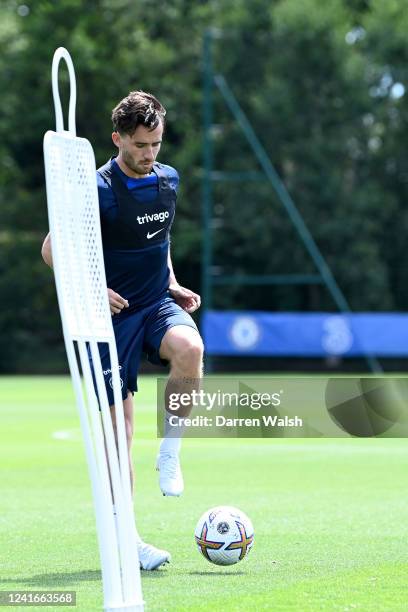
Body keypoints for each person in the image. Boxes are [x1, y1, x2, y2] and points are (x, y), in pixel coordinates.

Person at [41, 90, 204, 570]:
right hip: (107, 321)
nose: (149, 154)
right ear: (117, 139)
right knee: (119, 436)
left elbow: (162, 239)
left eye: (155, 143)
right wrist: (91, 290)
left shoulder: (168, 179)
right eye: (139, 145)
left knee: (190, 348)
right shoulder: (97, 188)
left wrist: (171, 282)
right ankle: (127, 541)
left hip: (155, 303)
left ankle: (170, 453)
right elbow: (53, 250)